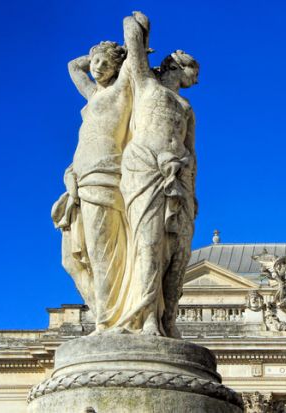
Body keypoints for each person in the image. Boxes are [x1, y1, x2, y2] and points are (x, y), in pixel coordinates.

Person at [116, 11, 199, 337]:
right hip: (145, 167)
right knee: (147, 242)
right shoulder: (146, 86)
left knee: (177, 254)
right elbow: (133, 42)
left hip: (178, 178)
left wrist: (192, 192)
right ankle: (146, 315)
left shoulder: (186, 108)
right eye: (195, 71)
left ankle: (167, 319)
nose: (198, 80)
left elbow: (192, 151)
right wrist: (141, 25)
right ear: (179, 67)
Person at [51, 36, 134, 334]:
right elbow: (74, 66)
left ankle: (110, 320)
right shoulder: (93, 96)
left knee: (101, 255)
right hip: (79, 179)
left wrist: (123, 54)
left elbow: (134, 54)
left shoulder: (122, 92)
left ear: (118, 67)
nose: (97, 68)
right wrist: (97, 55)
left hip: (104, 174)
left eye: (104, 64)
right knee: (72, 260)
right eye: (95, 62)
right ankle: (104, 313)